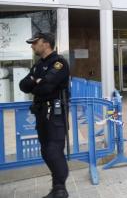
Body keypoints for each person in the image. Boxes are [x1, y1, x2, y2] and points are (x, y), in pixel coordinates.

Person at [19, 32, 70, 198]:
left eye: (35, 43)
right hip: (41, 113)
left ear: (46, 43)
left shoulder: (59, 63)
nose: (32, 46)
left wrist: (36, 83)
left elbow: (46, 88)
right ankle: (57, 188)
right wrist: (37, 79)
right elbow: (23, 85)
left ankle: (60, 189)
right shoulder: (38, 65)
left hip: (54, 113)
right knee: (45, 151)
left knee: (54, 150)